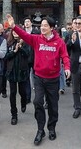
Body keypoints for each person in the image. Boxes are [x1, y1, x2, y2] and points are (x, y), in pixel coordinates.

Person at [7, 14, 70, 146]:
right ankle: (40, 129)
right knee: (37, 102)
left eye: (45, 26)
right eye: (41, 25)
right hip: (39, 77)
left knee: (53, 105)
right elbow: (25, 35)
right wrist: (13, 26)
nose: (42, 28)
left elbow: (64, 56)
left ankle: (51, 128)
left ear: (52, 28)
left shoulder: (59, 42)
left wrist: (67, 68)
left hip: (53, 79)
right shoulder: (36, 39)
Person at [4, 30, 30, 125]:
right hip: (12, 71)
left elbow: (28, 54)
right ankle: (14, 115)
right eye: (14, 32)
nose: (15, 34)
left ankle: (23, 102)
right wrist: (14, 51)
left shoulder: (26, 42)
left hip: (22, 71)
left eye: (17, 32)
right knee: (13, 93)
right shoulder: (8, 43)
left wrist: (21, 47)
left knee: (22, 91)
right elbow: (5, 56)